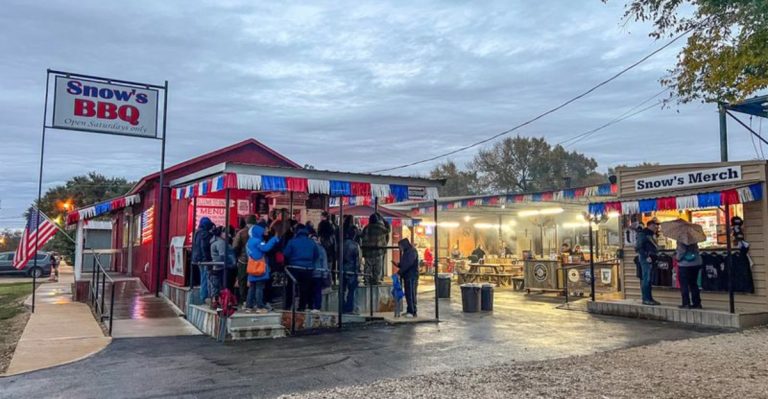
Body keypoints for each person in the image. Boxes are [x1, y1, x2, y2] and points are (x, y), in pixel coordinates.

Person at [283, 225, 320, 311]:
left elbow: (286, 254)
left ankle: (288, 306)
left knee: (291, 288)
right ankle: (301, 307)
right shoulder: (312, 242)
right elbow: (316, 255)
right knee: (304, 289)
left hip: (294, 268)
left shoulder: (292, 241)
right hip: (308, 269)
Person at [246, 222, 279, 313]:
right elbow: (266, 248)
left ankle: (249, 305)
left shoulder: (249, 241)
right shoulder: (258, 241)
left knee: (252, 287)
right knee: (259, 287)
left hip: (251, 267)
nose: (265, 231)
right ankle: (260, 306)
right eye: (263, 230)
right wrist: (274, 239)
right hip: (259, 267)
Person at [233, 215, 258, 306]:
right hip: (256, 260)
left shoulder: (241, 233)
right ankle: (253, 299)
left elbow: (235, 246)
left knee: (242, 280)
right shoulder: (258, 233)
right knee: (254, 281)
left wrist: (237, 256)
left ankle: (243, 299)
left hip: (243, 260)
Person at [636, 218, 661, 306]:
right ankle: (646, 299)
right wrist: (646, 256)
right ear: (650, 225)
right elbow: (638, 247)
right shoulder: (643, 234)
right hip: (646, 258)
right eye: (655, 225)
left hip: (652, 258)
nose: (657, 227)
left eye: (657, 225)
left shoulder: (651, 234)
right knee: (646, 278)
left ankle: (650, 298)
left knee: (649, 279)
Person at [361, 212, 391, 285]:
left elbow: (362, 236)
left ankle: (367, 280)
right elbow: (388, 230)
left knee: (368, 267)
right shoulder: (379, 227)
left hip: (367, 252)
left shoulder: (366, 228)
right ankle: (376, 281)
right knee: (377, 268)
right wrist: (384, 220)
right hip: (378, 251)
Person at [210, 226, 235, 309]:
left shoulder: (214, 241)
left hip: (216, 266)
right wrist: (231, 262)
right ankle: (224, 302)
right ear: (221, 233)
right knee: (224, 285)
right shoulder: (221, 243)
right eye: (225, 232)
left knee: (216, 286)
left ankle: (216, 301)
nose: (227, 234)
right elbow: (223, 255)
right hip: (223, 267)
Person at [191, 217, 214, 303]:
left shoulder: (197, 233)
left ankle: (203, 296)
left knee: (203, 277)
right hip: (203, 259)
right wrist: (206, 259)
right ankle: (204, 297)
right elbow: (204, 247)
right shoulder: (204, 234)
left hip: (197, 258)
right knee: (205, 277)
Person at [396, 238, 419, 318]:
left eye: (400, 246)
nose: (400, 248)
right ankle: (410, 310)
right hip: (407, 276)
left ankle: (412, 311)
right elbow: (405, 263)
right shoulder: (407, 252)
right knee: (408, 293)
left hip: (411, 276)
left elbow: (408, 264)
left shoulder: (411, 252)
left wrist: (399, 272)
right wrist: (398, 265)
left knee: (411, 294)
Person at [676, 241, 703, 309]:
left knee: (684, 284)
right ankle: (697, 303)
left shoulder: (682, 239)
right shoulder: (694, 238)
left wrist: (677, 258)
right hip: (696, 263)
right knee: (693, 283)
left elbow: (681, 252)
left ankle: (686, 303)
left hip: (685, 264)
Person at [341, 228, 361, 314]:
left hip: (342, 269)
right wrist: (357, 271)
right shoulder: (355, 245)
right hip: (352, 270)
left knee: (342, 290)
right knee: (351, 290)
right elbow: (357, 260)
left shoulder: (342, 244)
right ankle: (349, 308)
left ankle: (342, 307)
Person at [310, 232, 329, 312]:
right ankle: (317, 307)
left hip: (310, 272)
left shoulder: (309, 248)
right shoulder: (321, 249)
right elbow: (324, 262)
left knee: (311, 290)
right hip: (319, 272)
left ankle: (311, 305)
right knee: (317, 291)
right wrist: (325, 274)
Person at [317, 211, 337, 285]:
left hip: (322, 251)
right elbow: (334, 243)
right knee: (329, 269)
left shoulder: (321, 226)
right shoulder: (332, 228)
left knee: (321, 268)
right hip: (330, 253)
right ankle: (329, 284)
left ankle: (323, 283)